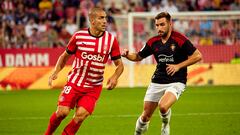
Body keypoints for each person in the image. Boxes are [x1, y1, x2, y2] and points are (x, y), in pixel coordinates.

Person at [44, 7, 124, 135]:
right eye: (101, 18)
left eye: (105, 18)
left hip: (93, 87)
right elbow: (64, 56)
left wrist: (115, 76)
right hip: (75, 82)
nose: (105, 21)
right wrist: (56, 71)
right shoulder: (79, 36)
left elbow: (120, 65)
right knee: (62, 113)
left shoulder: (111, 40)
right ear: (92, 20)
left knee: (80, 116)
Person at [122, 12, 202, 135]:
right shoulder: (153, 42)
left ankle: (165, 124)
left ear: (170, 24)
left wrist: (178, 66)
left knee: (163, 106)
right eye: (157, 25)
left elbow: (197, 56)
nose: (159, 28)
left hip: (176, 81)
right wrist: (127, 55)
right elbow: (138, 56)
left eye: (162, 24)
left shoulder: (180, 40)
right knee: (145, 117)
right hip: (157, 81)